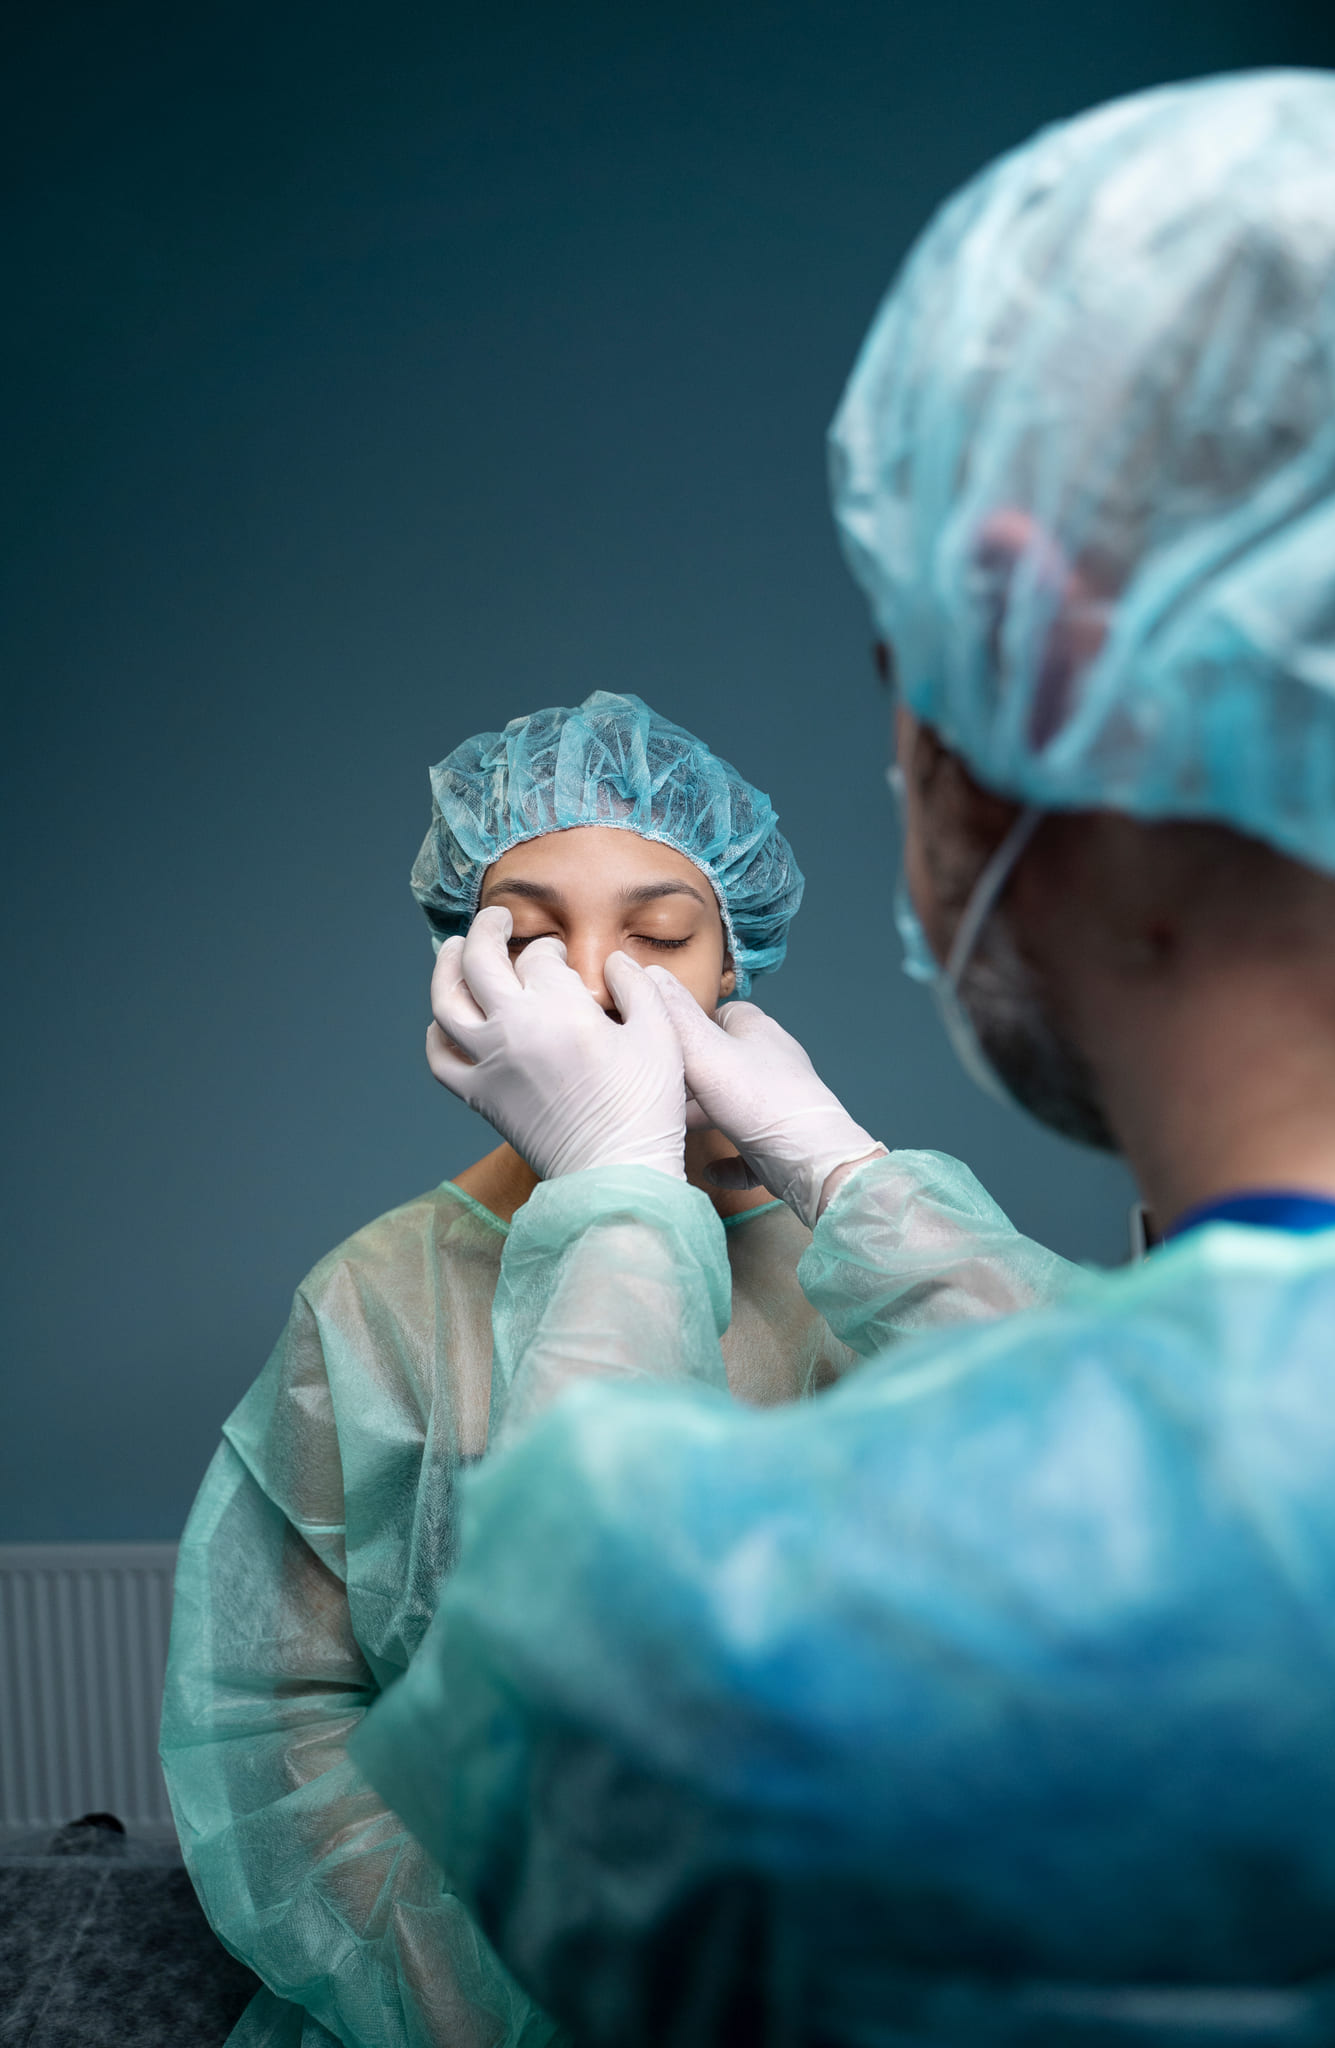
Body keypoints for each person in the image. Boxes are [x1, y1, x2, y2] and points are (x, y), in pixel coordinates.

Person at [352, 70, 1335, 2048]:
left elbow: (573, 1744)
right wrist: (837, 1165)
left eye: (898, 697)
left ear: (1014, 671)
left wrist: (617, 1199)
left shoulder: (832, 1620)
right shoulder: (1215, 1468)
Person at [160, 690, 884, 2048]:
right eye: (532, 936)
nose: (594, 976)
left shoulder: (866, 1270)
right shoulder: (375, 1293)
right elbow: (278, 1712)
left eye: (660, 933)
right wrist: (451, 1980)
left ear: (735, 963)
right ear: (466, 976)